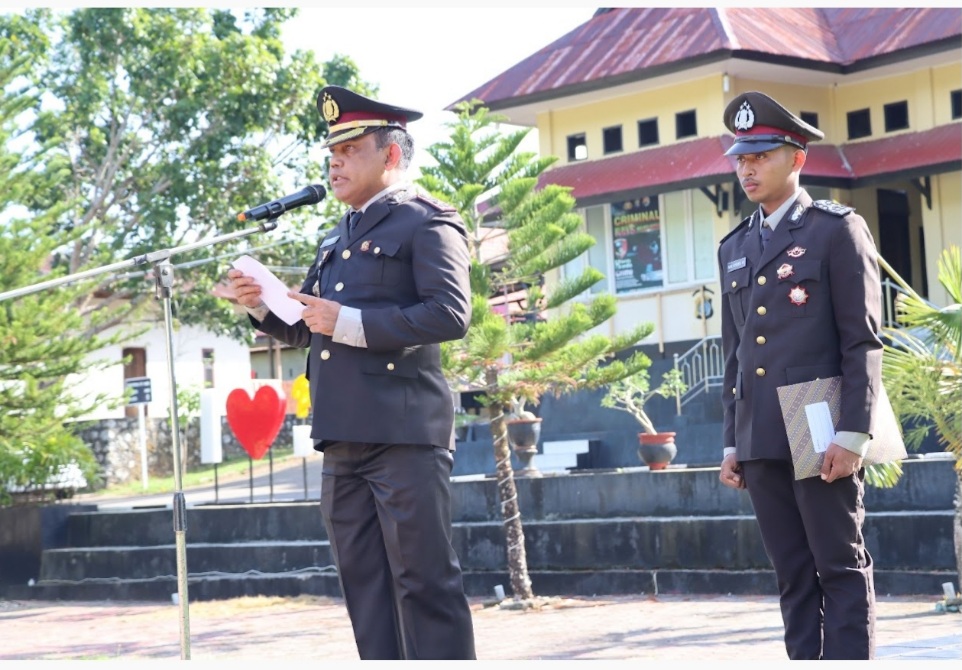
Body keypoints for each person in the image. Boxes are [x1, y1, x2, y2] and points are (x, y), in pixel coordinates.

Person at [226, 85, 476, 660]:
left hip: (403, 433)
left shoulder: (427, 221)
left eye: (350, 150)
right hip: (341, 436)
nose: (334, 163)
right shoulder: (335, 237)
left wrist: (351, 322)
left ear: (391, 154)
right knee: (365, 588)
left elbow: (449, 313)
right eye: (331, 153)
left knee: (424, 582)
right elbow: (309, 327)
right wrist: (260, 306)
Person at [716, 91, 883, 660]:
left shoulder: (836, 230)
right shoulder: (735, 246)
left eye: (761, 156)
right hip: (761, 431)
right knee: (791, 573)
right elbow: (734, 352)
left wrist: (853, 433)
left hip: (819, 420)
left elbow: (861, 341)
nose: (748, 169)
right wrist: (732, 441)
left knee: (838, 564)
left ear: (797, 158)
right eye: (741, 158)